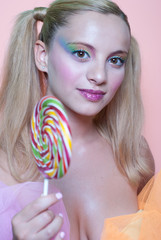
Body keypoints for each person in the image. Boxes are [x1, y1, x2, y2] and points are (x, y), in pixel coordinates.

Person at [0, 0, 160, 239]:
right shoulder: (5, 165)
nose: (99, 76)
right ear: (42, 56)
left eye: (116, 60)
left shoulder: (133, 155)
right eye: (81, 53)